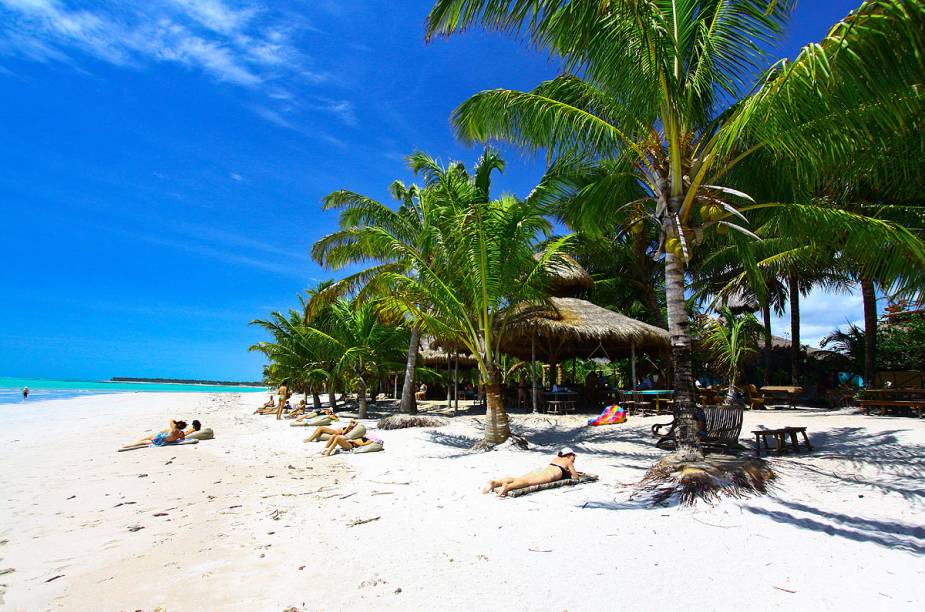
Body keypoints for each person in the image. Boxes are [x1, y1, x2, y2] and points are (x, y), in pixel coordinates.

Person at [482, 448, 580, 496]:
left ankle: (495, 483)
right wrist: (571, 473)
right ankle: (507, 487)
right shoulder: (568, 461)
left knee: (521, 479)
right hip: (548, 475)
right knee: (528, 483)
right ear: (569, 455)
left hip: (541, 470)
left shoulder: (556, 458)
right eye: (573, 457)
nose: (574, 459)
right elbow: (575, 477)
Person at [123, 420, 188, 449]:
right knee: (143, 442)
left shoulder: (173, 428)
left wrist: (176, 422)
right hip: (162, 441)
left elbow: (171, 420)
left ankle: (127, 445)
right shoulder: (181, 433)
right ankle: (128, 445)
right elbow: (182, 439)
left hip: (158, 437)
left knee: (143, 440)